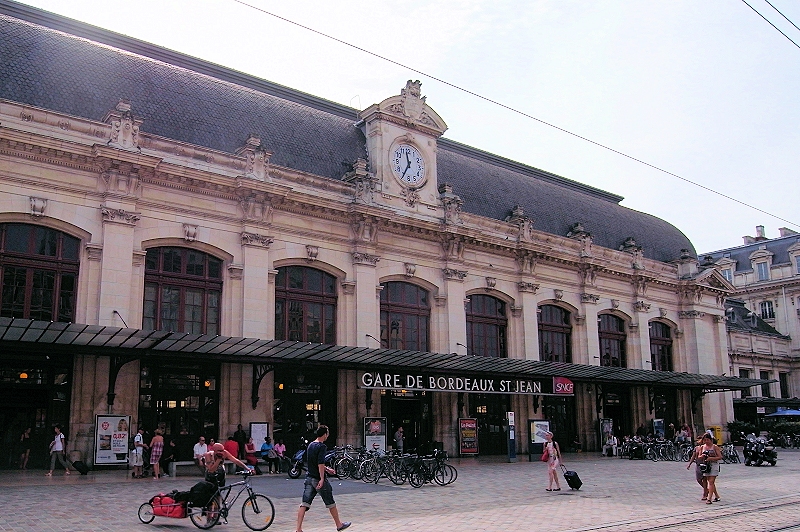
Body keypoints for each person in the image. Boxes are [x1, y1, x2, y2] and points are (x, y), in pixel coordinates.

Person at [295, 425, 351, 532]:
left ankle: (298, 529)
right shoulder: (322, 447)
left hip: (309, 477)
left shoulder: (311, 445)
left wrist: (327, 469)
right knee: (330, 502)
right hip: (317, 479)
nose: (327, 436)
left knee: (304, 504)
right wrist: (321, 478)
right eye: (327, 433)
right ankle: (339, 524)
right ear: (325, 434)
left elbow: (313, 462)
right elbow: (320, 463)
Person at [698, 433, 722, 504]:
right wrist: (702, 456)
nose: (706, 441)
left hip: (714, 465)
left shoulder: (715, 447)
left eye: (707, 440)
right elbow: (699, 456)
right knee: (710, 482)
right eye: (705, 440)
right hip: (706, 465)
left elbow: (720, 457)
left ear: (711, 440)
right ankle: (717, 496)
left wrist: (712, 458)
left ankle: (709, 498)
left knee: (711, 482)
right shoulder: (702, 447)